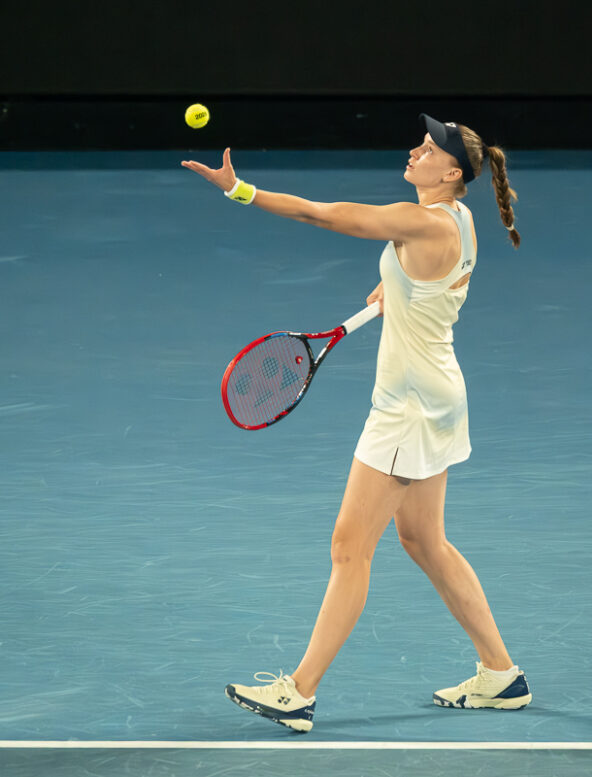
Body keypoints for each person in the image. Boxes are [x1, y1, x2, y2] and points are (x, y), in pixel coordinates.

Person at [181, 114, 531, 733]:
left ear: (452, 173)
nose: (415, 151)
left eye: (428, 150)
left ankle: (299, 691)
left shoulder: (419, 219)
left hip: (407, 410)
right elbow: (427, 280)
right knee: (424, 540)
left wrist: (241, 190)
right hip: (441, 398)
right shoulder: (459, 221)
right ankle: (501, 674)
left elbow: (324, 213)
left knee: (350, 547)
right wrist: (390, 285)